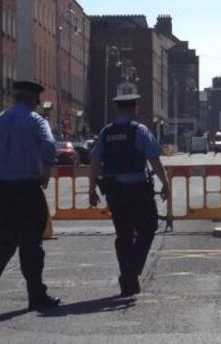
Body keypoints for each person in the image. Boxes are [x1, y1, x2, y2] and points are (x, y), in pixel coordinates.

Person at [0, 80, 60, 312]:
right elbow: (48, 144)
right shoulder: (36, 120)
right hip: (27, 187)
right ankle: (36, 295)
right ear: (33, 100)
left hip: (2, 187)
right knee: (31, 243)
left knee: (5, 241)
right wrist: (46, 169)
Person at [88, 93, 171, 298]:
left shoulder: (106, 133)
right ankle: (131, 272)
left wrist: (91, 189)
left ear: (117, 110)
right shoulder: (139, 131)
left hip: (115, 191)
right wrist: (166, 184)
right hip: (138, 191)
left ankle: (128, 278)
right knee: (148, 228)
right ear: (134, 109)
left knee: (123, 234)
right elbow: (154, 160)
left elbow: (95, 162)